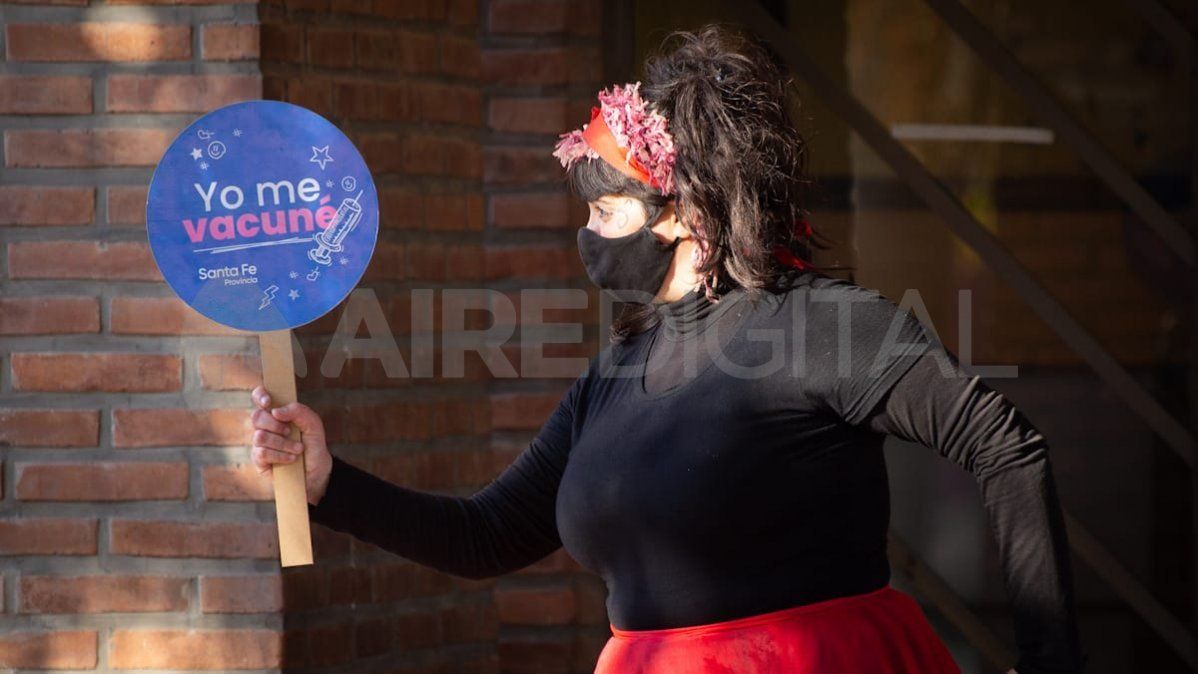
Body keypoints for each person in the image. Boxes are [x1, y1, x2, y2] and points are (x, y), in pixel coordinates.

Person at [248, 23, 1085, 674]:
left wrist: (1049, 663)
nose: (587, 236)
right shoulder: (614, 375)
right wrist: (329, 482)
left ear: (684, 213)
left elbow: (1007, 448)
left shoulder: (825, 326)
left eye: (605, 213)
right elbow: (489, 537)